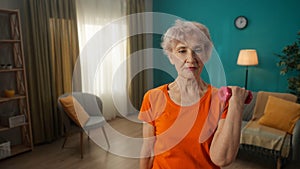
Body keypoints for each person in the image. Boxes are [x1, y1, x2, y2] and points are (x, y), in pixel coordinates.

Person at [138, 20, 249, 169]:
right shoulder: (152, 97)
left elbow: (222, 159)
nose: (190, 59)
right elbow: (148, 150)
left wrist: (237, 104)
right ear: (171, 56)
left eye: (197, 50)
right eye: (182, 51)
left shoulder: (221, 100)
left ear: (207, 55)